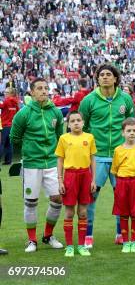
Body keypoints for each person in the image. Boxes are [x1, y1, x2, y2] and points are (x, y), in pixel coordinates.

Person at [79, 64, 135, 248]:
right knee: (91, 196)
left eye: (108, 74)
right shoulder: (88, 100)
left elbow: (130, 123)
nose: (104, 77)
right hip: (98, 156)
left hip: (121, 156)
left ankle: (120, 233)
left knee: (121, 196)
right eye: (101, 74)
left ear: (115, 78)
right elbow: (82, 127)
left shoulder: (125, 99)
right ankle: (88, 235)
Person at [10, 78, 65, 252]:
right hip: (31, 163)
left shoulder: (55, 112)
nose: (43, 91)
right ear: (32, 92)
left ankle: (48, 235)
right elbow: (14, 138)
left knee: (58, 199)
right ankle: (32, 240)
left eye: (46, 88)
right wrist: (27, 153)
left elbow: (58, 137)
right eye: (39, 88)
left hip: (51, 162)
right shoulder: (23, 113)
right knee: (31, 201)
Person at [56, 111, 97, 257]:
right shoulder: (63, 138)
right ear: (68, 124)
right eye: (72, 121)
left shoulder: (89, 138)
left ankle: (81, 245)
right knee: (69, 212)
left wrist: (93, 179)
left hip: (85, 175)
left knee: (83, 212)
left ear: (83, 122)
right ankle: (69, 247)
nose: (76, 123)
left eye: (78, 120)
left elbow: (92, 159)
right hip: (70, 176)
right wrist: (60, 180)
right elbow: (60, 160)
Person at [111, 118, 135, 253]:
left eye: (134, 131)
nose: (132, 133)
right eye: (128, 131)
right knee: (123, 213)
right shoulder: (118, 150)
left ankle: (134, 241)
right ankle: (126, 242)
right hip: (122, 182)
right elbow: (115, 170)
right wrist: (122, 181)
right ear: (123, 133)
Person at [0, 87, 20, 165]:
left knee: (2, 143)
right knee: (9, 145)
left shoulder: (7, 101)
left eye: (6, 92)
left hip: (5, 125)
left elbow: (1, 106)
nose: (4, 94)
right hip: (12, 126)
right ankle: (8, 161)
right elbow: (18, 113)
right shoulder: (16, 102)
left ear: (11, 94)